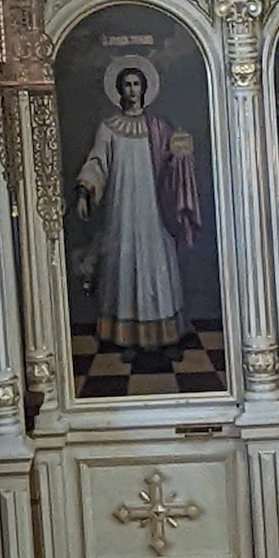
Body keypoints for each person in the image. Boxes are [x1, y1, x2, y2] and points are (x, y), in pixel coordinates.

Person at [72, 63, 201, 357]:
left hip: (153, 208)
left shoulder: (158, 127)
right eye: (127, 84)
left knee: (156, 261)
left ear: (144, 88)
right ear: (120, 89)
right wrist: (84, 192)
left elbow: (171, 165)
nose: (132, 90)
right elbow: (97, 162)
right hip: (122, 208)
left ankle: (164, 333)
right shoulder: (109, 127)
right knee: (123, 262)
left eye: (136, 84)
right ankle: (123, 334)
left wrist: (181, 155)